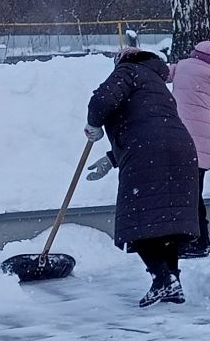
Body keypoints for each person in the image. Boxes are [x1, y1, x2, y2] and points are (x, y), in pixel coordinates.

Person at [85, 48, 203, 306]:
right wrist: (111, 158)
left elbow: (101, 100)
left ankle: (162, 279)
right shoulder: (156, 83)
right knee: (167, 220)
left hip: (149, 152)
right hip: (181, 151)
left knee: (139, 219)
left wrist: (93, 124)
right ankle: (172, 282)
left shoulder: (128, 71)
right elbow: (148, 126)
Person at [170, 30, 210, 259]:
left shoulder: (184, 65)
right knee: (194, 194)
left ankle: (186, 241)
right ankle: (200, 242)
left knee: (181, 193)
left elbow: (161, 75)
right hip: (200, 140)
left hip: (174, 136)